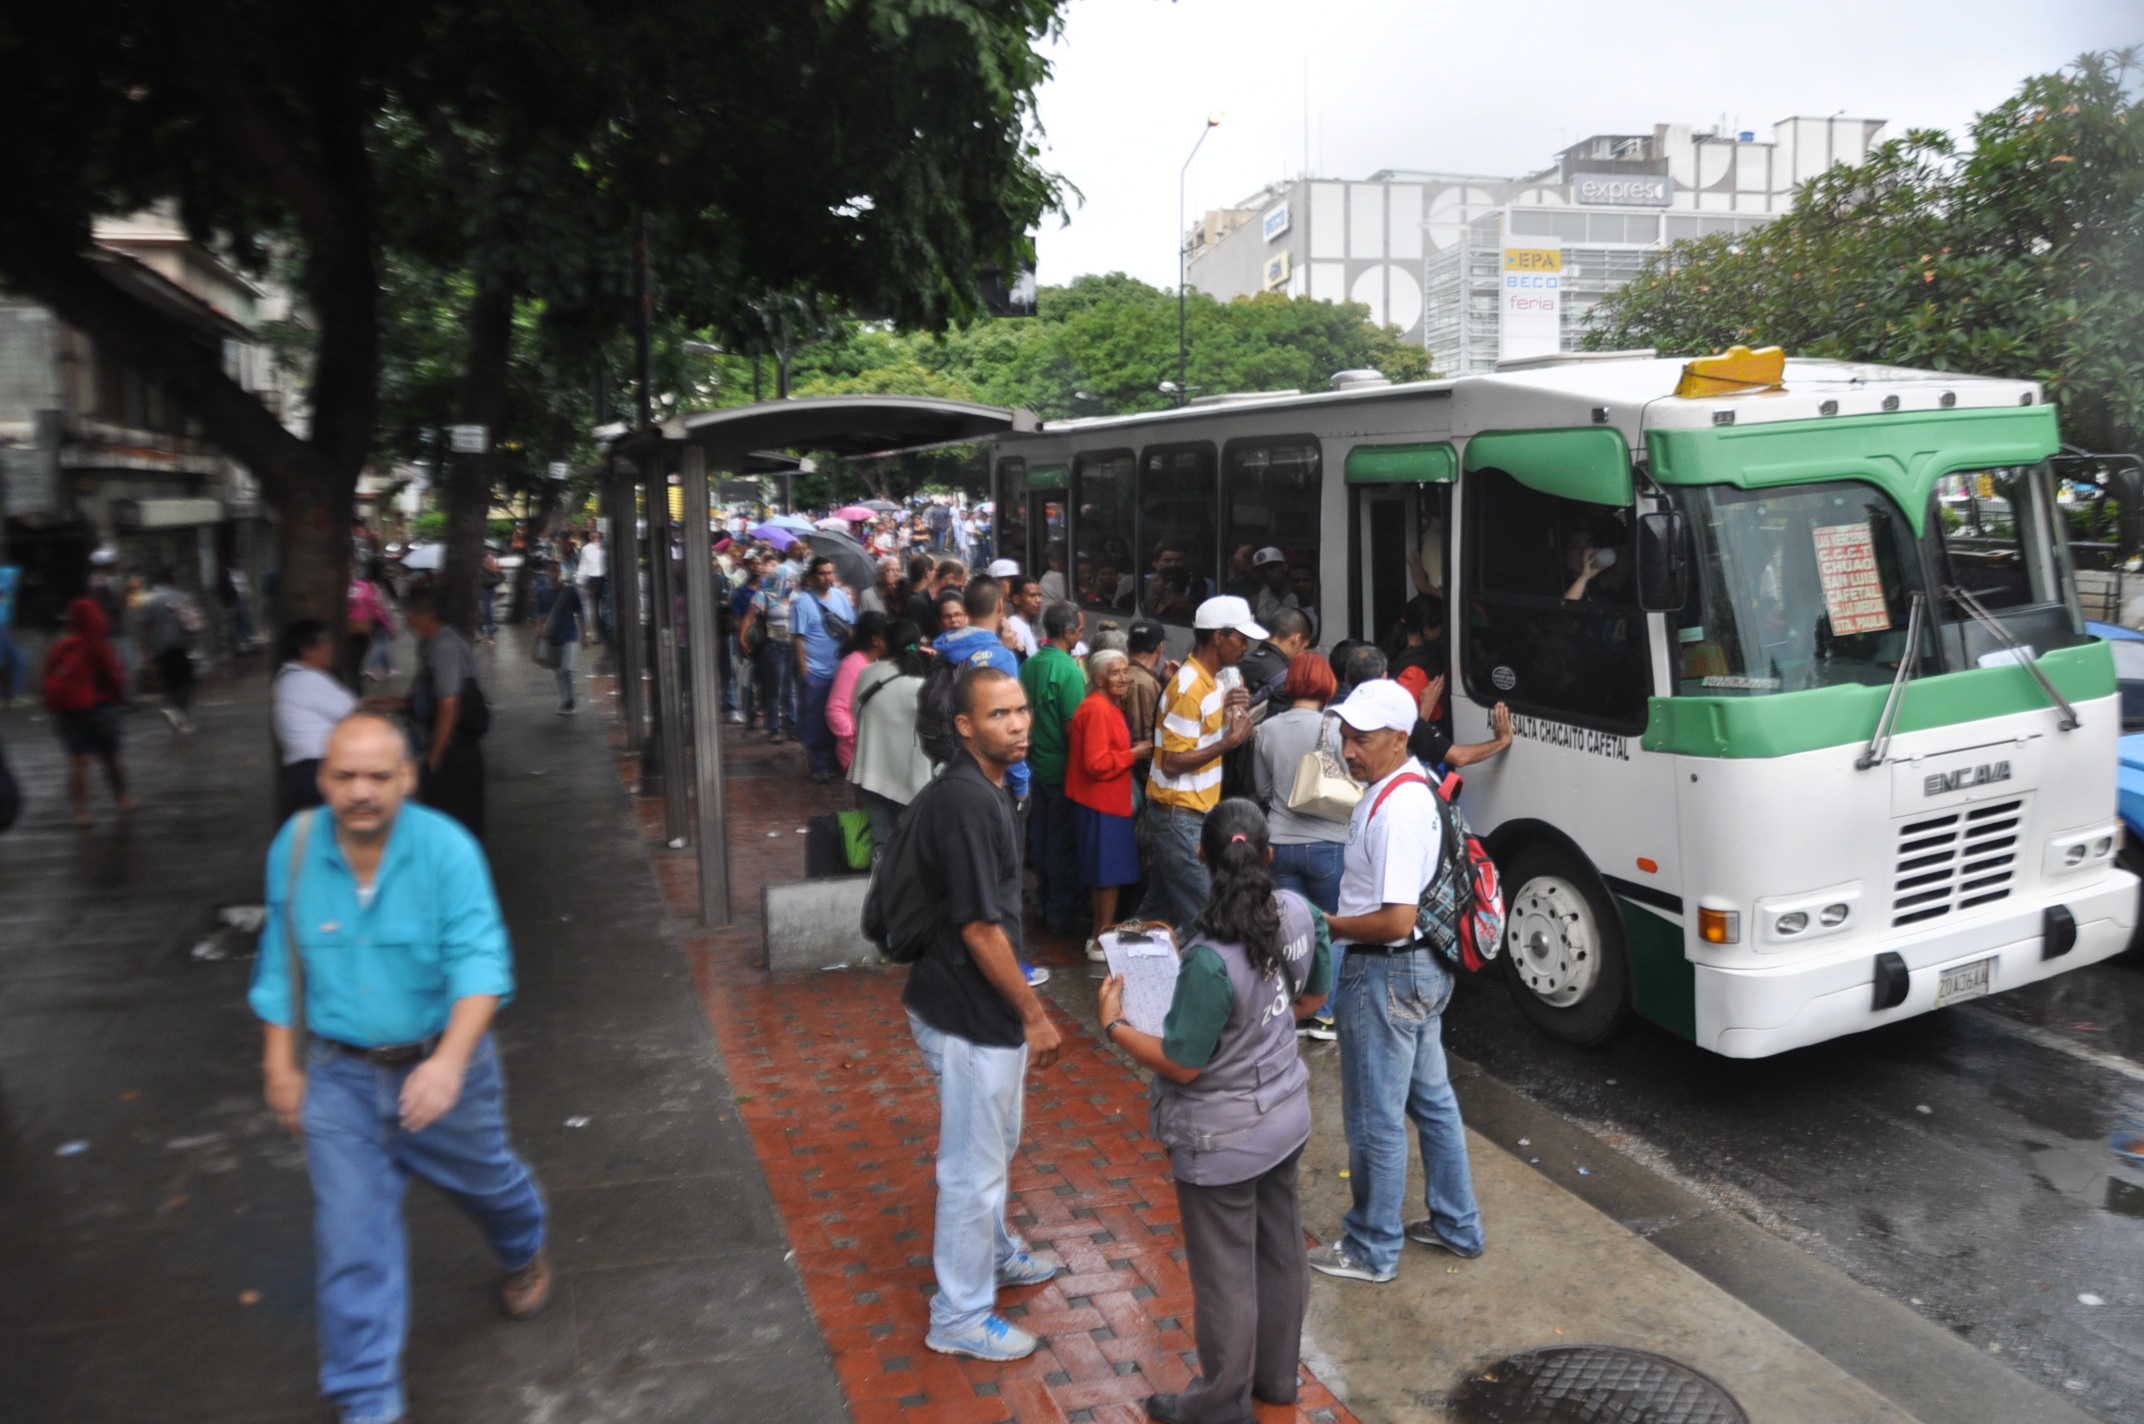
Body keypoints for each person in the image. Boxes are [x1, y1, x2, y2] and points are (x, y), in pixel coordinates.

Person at [251, 713, 549, 1424]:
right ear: (321, 778)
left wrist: (447, 1064)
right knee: (351, 1241)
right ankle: (366, 1398)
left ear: (407, 778)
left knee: (492, 1185)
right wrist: (279, 1063)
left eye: (378, 776)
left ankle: (524, 1248)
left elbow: (480, 961)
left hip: (447, 1070)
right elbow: (278, 960)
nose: (361, 791)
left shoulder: (447, 852)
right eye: (344, 776)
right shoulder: (293, 850)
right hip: (341, 1079)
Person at [1098, 799, 1329, 1424]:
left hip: (1223, 1140)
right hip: (1286, 1115)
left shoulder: (1210, 960)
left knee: (1226, 1276)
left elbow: (1182, 1062)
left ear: (1201, 856)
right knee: (1282, 1252)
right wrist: (1266, 1032)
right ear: (1269, 855)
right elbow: (1312, 994)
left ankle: (1221, 1403)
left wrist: (1116, 1024)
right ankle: (1277, 1381)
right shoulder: (1300, 913)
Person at [901, 665, 1062, 1362]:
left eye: (1022, 710)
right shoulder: (966, 801)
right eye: (1000, 714)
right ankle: (960, 1314)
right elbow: (979, 927)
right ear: (964, 727)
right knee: (971, 1168)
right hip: (970, 1012)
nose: (1019, 723)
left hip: (980, 1007)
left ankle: (995, 1253)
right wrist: (1033, 1012)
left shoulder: (992, 789)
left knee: (995, 1146)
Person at [1307, 679, 1483, 1285]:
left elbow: (1395, 920)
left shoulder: (1398, 811)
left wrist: (1325, 924)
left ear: (1400, 739)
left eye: (1362, 740)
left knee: (1373, 1119)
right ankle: (1457, 1225)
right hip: (1417, 972)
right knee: (1431, 1103)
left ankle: (1371, 1248)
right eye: (1345, 736)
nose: (1348, 750)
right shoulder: (1404, 787)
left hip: (1388, 973)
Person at [1142, 596, 1262, 934]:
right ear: (1219, 637)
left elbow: (1198, 739)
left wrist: (1229, 712)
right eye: (1241, 637)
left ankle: (1127, 962)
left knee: (1157, 912)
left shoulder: (1207, 683)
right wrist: (1231, 740)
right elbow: (1172, 762)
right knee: (1208, 912)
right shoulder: (1189, 686)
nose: (1246, 646)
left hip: (1187, 813)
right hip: (1179, 815)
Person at [1246, 653, 1351, 1039]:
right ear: (1326, 682)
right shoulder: (1337, 728)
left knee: (1293, 930)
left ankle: (1298, 1007)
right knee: (1333, 927)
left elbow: (1262, 790)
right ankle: (1325, 1012)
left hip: (1279, 843)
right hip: (1329, 842)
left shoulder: (1267, 729)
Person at [1066, 648, 1151, 956]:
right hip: (1101, 803)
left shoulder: (1107, 706)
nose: (1124, 678)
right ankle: (1100, 939)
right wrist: (1135, 754)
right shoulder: (1098, 709)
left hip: (1108, 802)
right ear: (1099, 679)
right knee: (1106, 876)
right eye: (1115, 673)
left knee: (1108, 875)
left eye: (1125, 671)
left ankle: (1100, 935)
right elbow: (1096, 763)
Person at [388, 592, 489, 838]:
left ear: (426, 616)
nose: (406, 621)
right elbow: (425, 695)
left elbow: (449, 705)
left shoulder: (445, 646)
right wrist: (398, 704)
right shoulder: (429, 644)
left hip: (456, 750)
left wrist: (436, 755)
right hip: (449, 745)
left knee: (454, 818)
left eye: (409, 615)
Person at [1020, 602, 1089, 933]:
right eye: (1079, 630)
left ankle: (1045, 905)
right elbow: (1073, 730)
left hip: (1036, 769)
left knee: (1043, 840)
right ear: (1067, 633)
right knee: (1061, 845)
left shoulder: (1030, 665)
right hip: (1062, 772)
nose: (1081, 635)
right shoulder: (1070, 671)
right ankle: (1060, 913)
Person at [41, 596, 134, 826]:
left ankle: (81, 813)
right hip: (99, 709)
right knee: (110, 758)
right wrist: (119, 698)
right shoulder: (99, 645)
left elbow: (46, 678)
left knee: (79, 762)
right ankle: (122, 799)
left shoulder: (61, 647)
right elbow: (114, 678)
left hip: (68, 714)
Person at [847, 619, 935, 856]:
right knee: (909, 851)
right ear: (918, 645)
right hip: (911, 781)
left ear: (884, 643)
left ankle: (879, 890)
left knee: (882, 845)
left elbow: (855, 711)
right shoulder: (920, 684)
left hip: (870, 775)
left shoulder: (867, 673)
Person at [274, 619, 359, 819]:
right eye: (324, 643)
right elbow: (351, 710)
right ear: (306, 650)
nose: (330, 648)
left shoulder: (289, 677)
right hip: (318, 770)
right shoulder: (307, 680)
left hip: (308, 772)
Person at [793, 555, 857, 783]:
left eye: (830, 572)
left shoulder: (840, 596)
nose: (827, 577)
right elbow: (798, 639)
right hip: (816, 673)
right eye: (822, 573)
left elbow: (852, 626)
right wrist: (805, 672)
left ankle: (834, 762)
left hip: (841, 672)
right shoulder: (803, 601)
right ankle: (819, 765)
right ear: (812, 577)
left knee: (837, 719)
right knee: (816, 720)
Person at [824, 610, 887, 772]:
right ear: (876, 640)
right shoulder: (852, 665)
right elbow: (835, 710)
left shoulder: (878, 661)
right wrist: (855, 736)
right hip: (856, 751)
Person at [143, 567, 199, 733]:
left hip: (160, 648)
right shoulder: (180, 597)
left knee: (170, 682)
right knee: (187, 682)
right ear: (173, 580)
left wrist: (146, 649)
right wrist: (192, 641)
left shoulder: (150, 600)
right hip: (179, 646)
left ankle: (176, 713)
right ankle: (179, 713)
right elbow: (191, 622)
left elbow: (145, 627)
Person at [540, 572, 586, 715]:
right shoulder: (543, 592)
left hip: (569, 636)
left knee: (565, 668)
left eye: (555, 571)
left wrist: (585, 634)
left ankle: (569, 700)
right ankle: (566, 699)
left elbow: (581, 613)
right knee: (559, 670)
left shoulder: (570, 591)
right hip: (552, 637)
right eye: (550, 571)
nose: (553, 575)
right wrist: (540, 630)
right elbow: (540, 613)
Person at [577, 529, 608, 644]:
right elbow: (583, 565)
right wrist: (580, 579)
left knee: (604, 610)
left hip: (604, 580)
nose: (597, 540)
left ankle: (603, 631)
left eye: (599, 538)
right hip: (592, 580)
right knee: (594, 611)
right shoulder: (587, 549)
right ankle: (597, 634)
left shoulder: (605, 549)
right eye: (594, 538)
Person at [1004, 575, 1043, 660]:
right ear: (1016, 599)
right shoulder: (1015, 628)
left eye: (1039, 595)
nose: (1038, 600)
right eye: (1032, 596)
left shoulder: (1027, 625)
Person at [478, 549, 504, 643]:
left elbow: (490, 581)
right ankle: (485, 631)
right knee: (484, 611)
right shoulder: (483, 569)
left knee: (486, 611)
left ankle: (489, 631)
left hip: (487, 591)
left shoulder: (488, 570)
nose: (491, 562)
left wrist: (496, 572)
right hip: (484, 591)